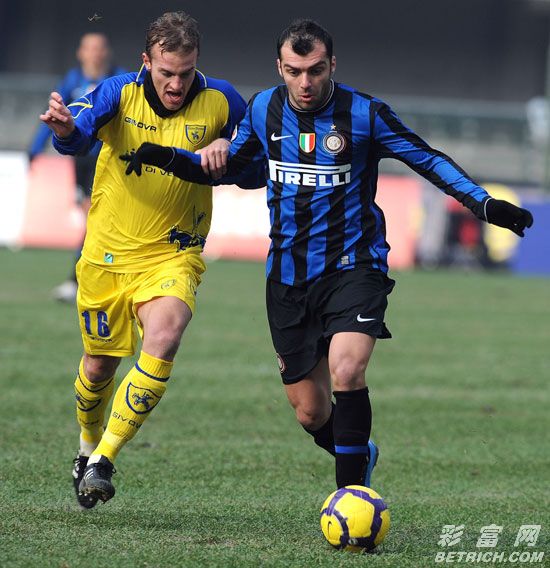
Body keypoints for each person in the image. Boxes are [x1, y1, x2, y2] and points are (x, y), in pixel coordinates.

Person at [121, 19, 534, 491]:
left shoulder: (365, 114)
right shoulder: (263, 109)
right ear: (280, 68)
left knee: (348, 369)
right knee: (310, 412)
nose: (305, 82)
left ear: (332, 65)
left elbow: (427, 158)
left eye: (315, 70)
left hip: (354, 267)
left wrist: (484, 204)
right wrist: (168, 156)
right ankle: (360, 453)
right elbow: (229, 168)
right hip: (288, 277)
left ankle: (351, 496)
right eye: (294, 71)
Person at [40, 11, 264, 509]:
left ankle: (104, 459)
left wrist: (229, 148)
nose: (176, 85)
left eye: (185, 73)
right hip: (106, 255)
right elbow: (76, 137)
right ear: (147, 62)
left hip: (173, 253)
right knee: (99, 366)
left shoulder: (223, 99)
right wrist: (64, 130)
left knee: (165, 334)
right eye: (166, 73)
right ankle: (86, 445)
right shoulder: (117, 91)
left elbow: (257, 169)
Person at [29, 32, 125, 303]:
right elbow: (53, 115)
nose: (95, 53)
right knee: (93, 221)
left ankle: (77, 282)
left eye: (99, 48)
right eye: (89, 48)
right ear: (80, 53)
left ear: (107, 52)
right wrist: (34, 150)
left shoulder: (118, 79)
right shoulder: (72, 80)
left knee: (96, 218)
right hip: (80, 162)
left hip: (108, 160)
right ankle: (90, 281)